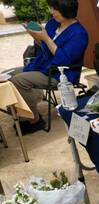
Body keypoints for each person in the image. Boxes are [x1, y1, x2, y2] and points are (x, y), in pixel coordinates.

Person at [9, 0, 88, 134]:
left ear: (65, 10)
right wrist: (37, 39)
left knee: (18, 80)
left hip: (58, 74)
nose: (51, 12)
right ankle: (33, 99)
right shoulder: (53, 23)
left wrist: (46, 39)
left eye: (54, 9)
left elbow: (64, 60)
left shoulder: (79, 34)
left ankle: (34, 120)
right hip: (42, 65)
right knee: (8, 75)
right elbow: (44, 49)